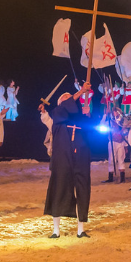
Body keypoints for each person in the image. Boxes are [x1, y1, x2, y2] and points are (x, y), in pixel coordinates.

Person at [44, 83, 95, 238]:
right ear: (61, 103)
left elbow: (92, 131)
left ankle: (81, 229)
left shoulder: (80, 118)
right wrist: (81, 91)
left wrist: (88, 115)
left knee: (83, 190)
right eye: (65, 98)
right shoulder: (57, 115)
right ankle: (56, 230)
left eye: (70, 97)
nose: (68, 99)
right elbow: (66, 106)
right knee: (59, 190)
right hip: (62, 160)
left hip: (80, 158)